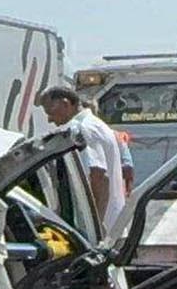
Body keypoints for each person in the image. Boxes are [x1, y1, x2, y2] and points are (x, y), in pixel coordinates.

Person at [38, 87, 127, 232]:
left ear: (66, 104)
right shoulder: (98, 125)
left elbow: (99, 177)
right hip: (114, 223)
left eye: (51, 113)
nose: (50, 119)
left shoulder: (80, 129)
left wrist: (95, 229)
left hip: (102, 228)